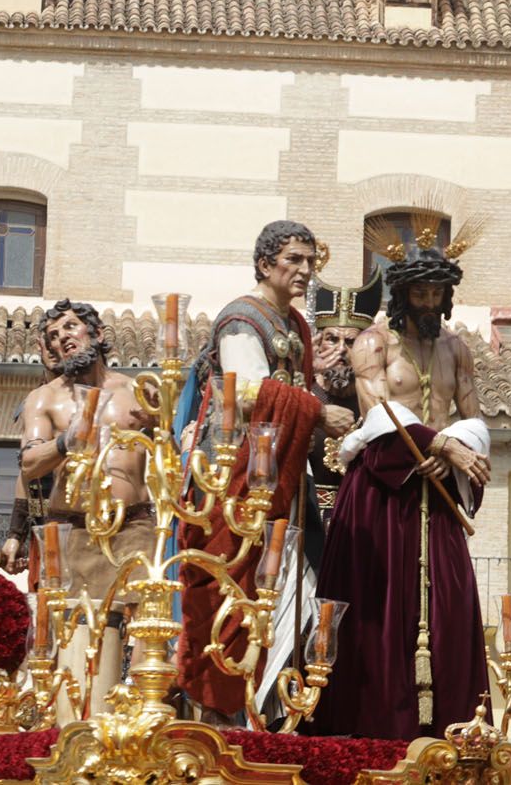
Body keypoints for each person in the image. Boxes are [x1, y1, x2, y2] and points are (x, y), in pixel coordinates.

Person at [309, 225, 491, 739]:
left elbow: (474, 421)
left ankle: (450, 735)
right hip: (380, 495)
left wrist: (457, 453)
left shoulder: (457, 351)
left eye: (438, 292)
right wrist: (439, 444)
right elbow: (374, 414)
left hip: (438, 493)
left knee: (451, 612)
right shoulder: (373, 343)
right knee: (375, 610)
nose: (430, 301)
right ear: (402, 292)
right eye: (420, 291)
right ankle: (367, 735)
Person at [174, 219, 334, 721]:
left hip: (279, 477)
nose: (306, 271)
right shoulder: (242, 319)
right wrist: (317, 410)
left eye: (311, 262)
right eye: (295, 260)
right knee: (229, 599)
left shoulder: (296, 326)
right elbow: (245, 393)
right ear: (265, 264)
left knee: (297, 590)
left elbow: (294, 398)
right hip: (234, 480)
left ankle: (272, 713)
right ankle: (220, 720)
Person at [17, 299, 155, 700]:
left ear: (98, 335)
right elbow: (28, 464)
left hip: (134, 525)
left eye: (71, 328)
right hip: (74, 528)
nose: (63, 339)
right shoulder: (44, 399)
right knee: (77, 631)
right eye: (54, 336)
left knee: (147, 623)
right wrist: (66, 440)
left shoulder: (137, 391)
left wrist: (167, 429)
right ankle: (78, 720)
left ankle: (141, 713)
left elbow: (175, 448)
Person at [306, 267, 381, 531]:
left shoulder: (375, 402)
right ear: (317, 342)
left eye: (350, 342)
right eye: (332, 339)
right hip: (307, 523)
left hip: (363, 526)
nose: (341, 350)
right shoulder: (303, 394)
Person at [0, 329, 57, 576]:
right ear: (39, 345)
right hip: (40, 534)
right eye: (50, 341)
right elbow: (26, 471)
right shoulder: (34, 400)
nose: (56, 348)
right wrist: (15, 535)